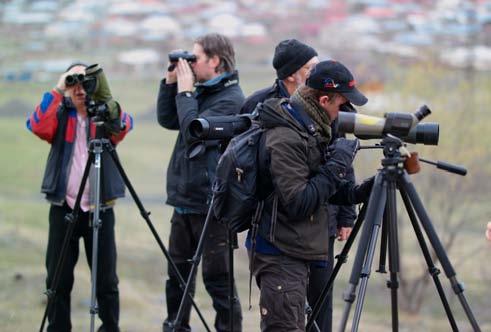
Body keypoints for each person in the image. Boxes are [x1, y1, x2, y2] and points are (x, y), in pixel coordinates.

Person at [248, 60, 373, 332]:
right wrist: (337, 165)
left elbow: (325, 192)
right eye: (342, 106)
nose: (345, 115)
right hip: (280, 255)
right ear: (324, 99)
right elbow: (299, 202)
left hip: (297, 251)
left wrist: (366, 189)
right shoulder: (285, 136)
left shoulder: (310, 128)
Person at [26, 63, 133, 332]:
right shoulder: (61, 115)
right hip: (64, 207)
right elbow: (37, 126)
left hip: (100, 208)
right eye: (73, 82)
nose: (79, 88)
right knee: (57, 280)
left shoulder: (104, 117)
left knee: (107, 281)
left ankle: (110, 328)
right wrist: (58, 88)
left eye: (85, 82)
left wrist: (103, 100)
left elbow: (124, 125)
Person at [156, 33, 244, 332]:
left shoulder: (231, 99)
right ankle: (176, 326)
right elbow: (169, 121)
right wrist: (170, 85)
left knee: (217, 279)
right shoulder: (203, 90)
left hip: (212, 203)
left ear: (215, 61)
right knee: (177, 276)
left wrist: (185, 92)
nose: (190, 65)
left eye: (196, 58)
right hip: (184, 199)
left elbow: (194, 131)